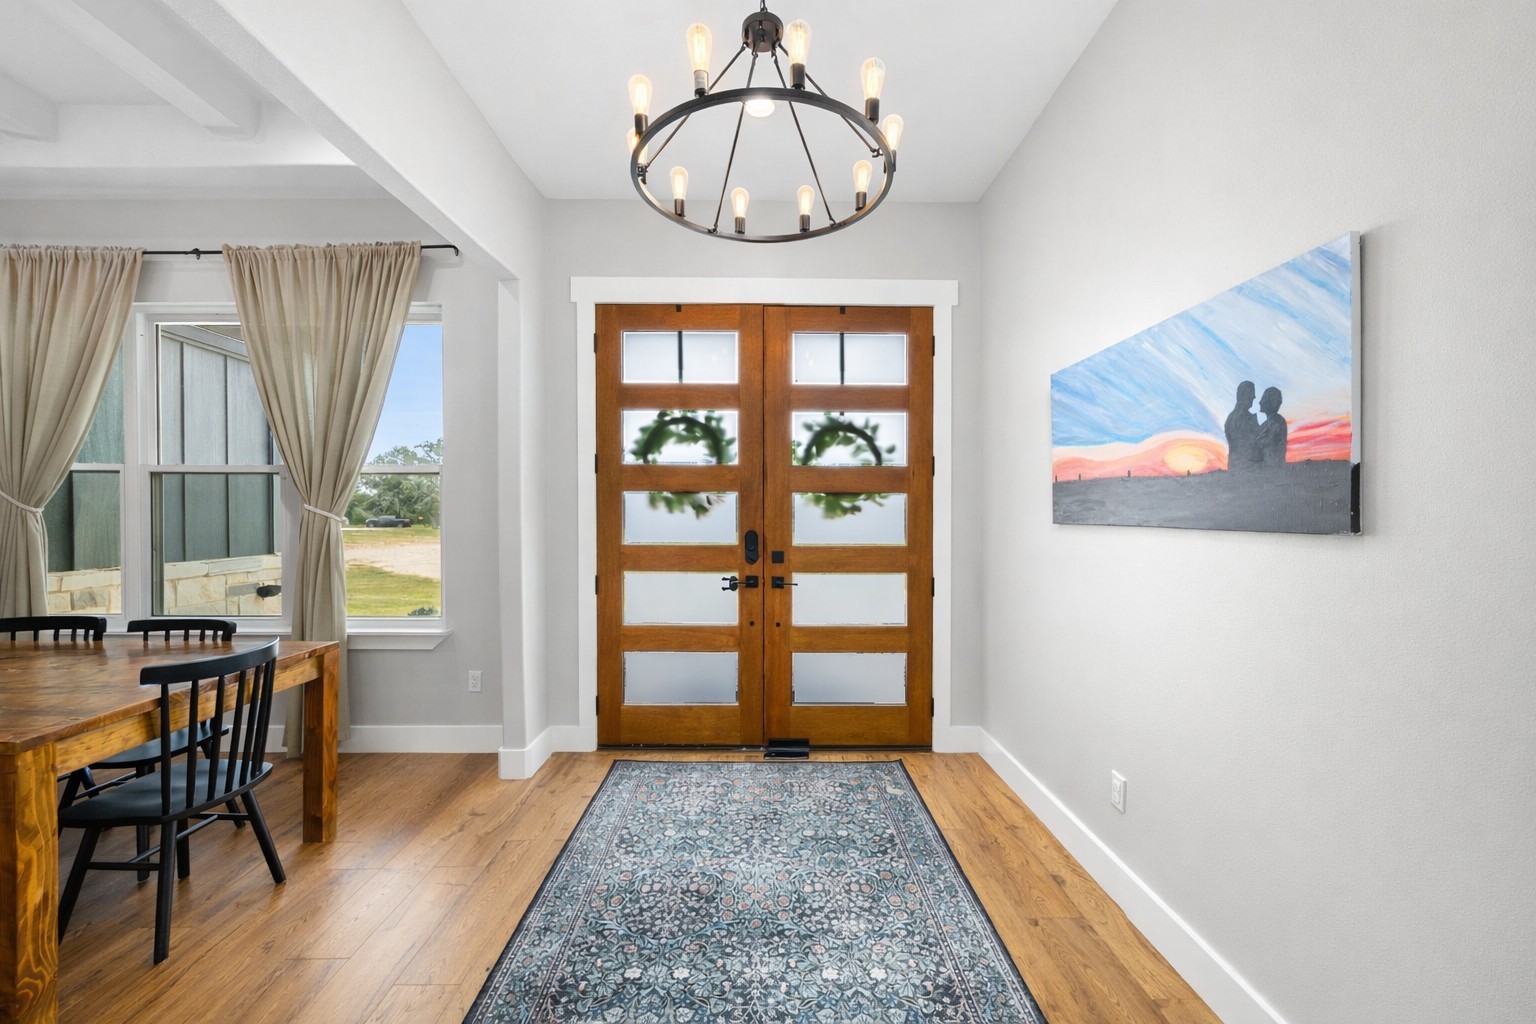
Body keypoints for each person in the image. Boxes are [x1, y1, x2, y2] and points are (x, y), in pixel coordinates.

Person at [1223, 381, 1261, 472]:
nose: (1254, 397)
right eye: (1251, 394)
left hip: (1243, 467)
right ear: (1243, 395)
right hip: (1247, 468)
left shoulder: (1234, 417)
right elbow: (1252, 444)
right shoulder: (1240, 418)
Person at [1257, 386, 1288, 467]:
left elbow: (1270, 441)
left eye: (1263, 398)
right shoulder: (1265, 424)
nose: (1260, 402)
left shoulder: (1278, 421)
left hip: (1273, 467)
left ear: (1272, 402)